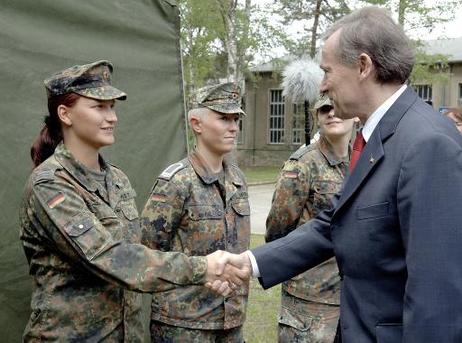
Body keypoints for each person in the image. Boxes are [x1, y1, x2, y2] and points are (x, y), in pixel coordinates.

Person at [210, 6, 462, 342]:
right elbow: (336, 223)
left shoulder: (427, 144)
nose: (323, 85)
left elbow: (436, 298)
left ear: (363, 66)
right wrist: (251, 262)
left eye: (327, 71)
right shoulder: (380, 135)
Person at [19, 60, 244, 341]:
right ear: (65, 114)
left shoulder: (117, 180)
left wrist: (205, 278)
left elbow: (142, 253)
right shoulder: (50, 185)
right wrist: (202, 268)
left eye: (112, 107)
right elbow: (110, 257)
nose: (112, 117)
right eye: (99, 107)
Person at [140, 82, 250, 342]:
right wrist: (200, 274)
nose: (233, 127)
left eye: (236, 119)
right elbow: (146, 253)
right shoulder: (176, 182)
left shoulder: (237, 179)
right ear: (196, 124)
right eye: (223, 118)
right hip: (183, 325)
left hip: (231, 319)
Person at [266, 95, 356, 342]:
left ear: (356, 113)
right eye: (325, 109)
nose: (332, 113)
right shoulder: (302, 165)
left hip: (349, 297)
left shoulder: (361, 160)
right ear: (317, 117)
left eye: (338, 107)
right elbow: (277, 231)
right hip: (308, 301)